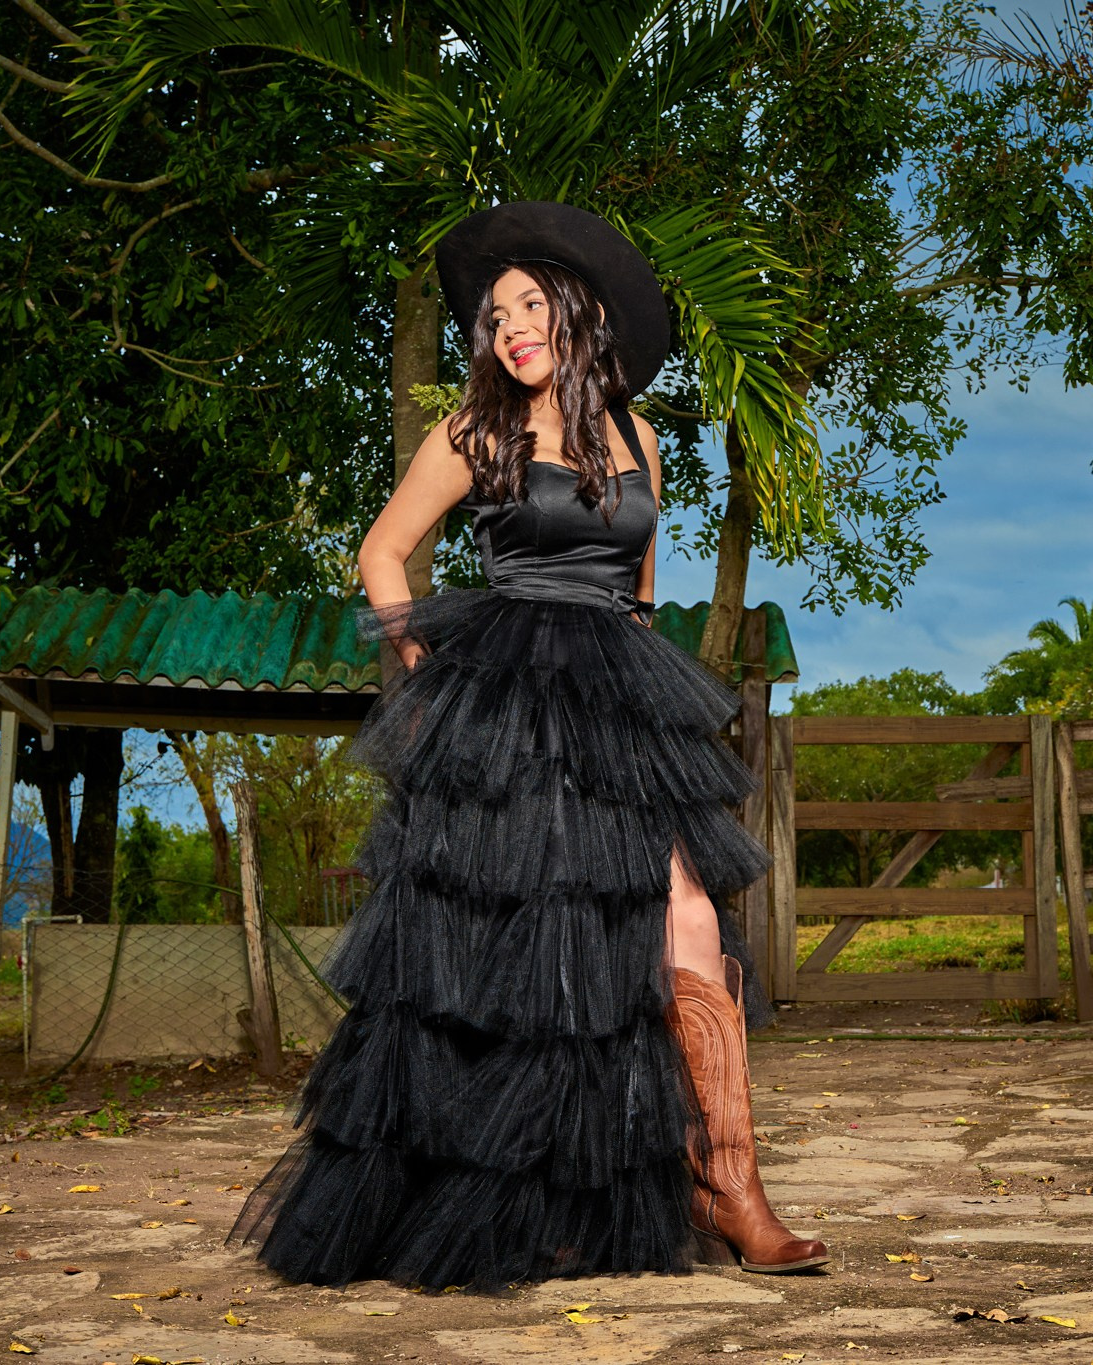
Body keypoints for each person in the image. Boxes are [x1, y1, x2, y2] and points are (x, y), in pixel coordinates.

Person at [228, 201, 827, 1290]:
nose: (508, 325)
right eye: (493, 313)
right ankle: (513, 1191)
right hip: (505, 704)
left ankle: (726, 1182)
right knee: (523, 951)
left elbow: (641, 594)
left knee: (682, 910)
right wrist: (429, 680)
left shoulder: (636, 435)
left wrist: (643, 703)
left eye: (528, 304)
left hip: (615, 695)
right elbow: (382, 553)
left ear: (580, 314)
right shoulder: (473, 434)